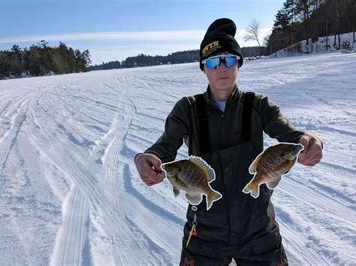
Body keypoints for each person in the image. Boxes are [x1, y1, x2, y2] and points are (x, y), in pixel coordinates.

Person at [134, 18, 323, 265]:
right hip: (205, 236)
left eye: (229, 59)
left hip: (259, 233)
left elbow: (290, 133)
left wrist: (310, 141)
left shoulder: (258, 105)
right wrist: (143, 158)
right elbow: (166, 146)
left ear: (239, 64)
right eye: (213, 61)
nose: (221, 67)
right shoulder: (187, 109)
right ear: (203, 67)